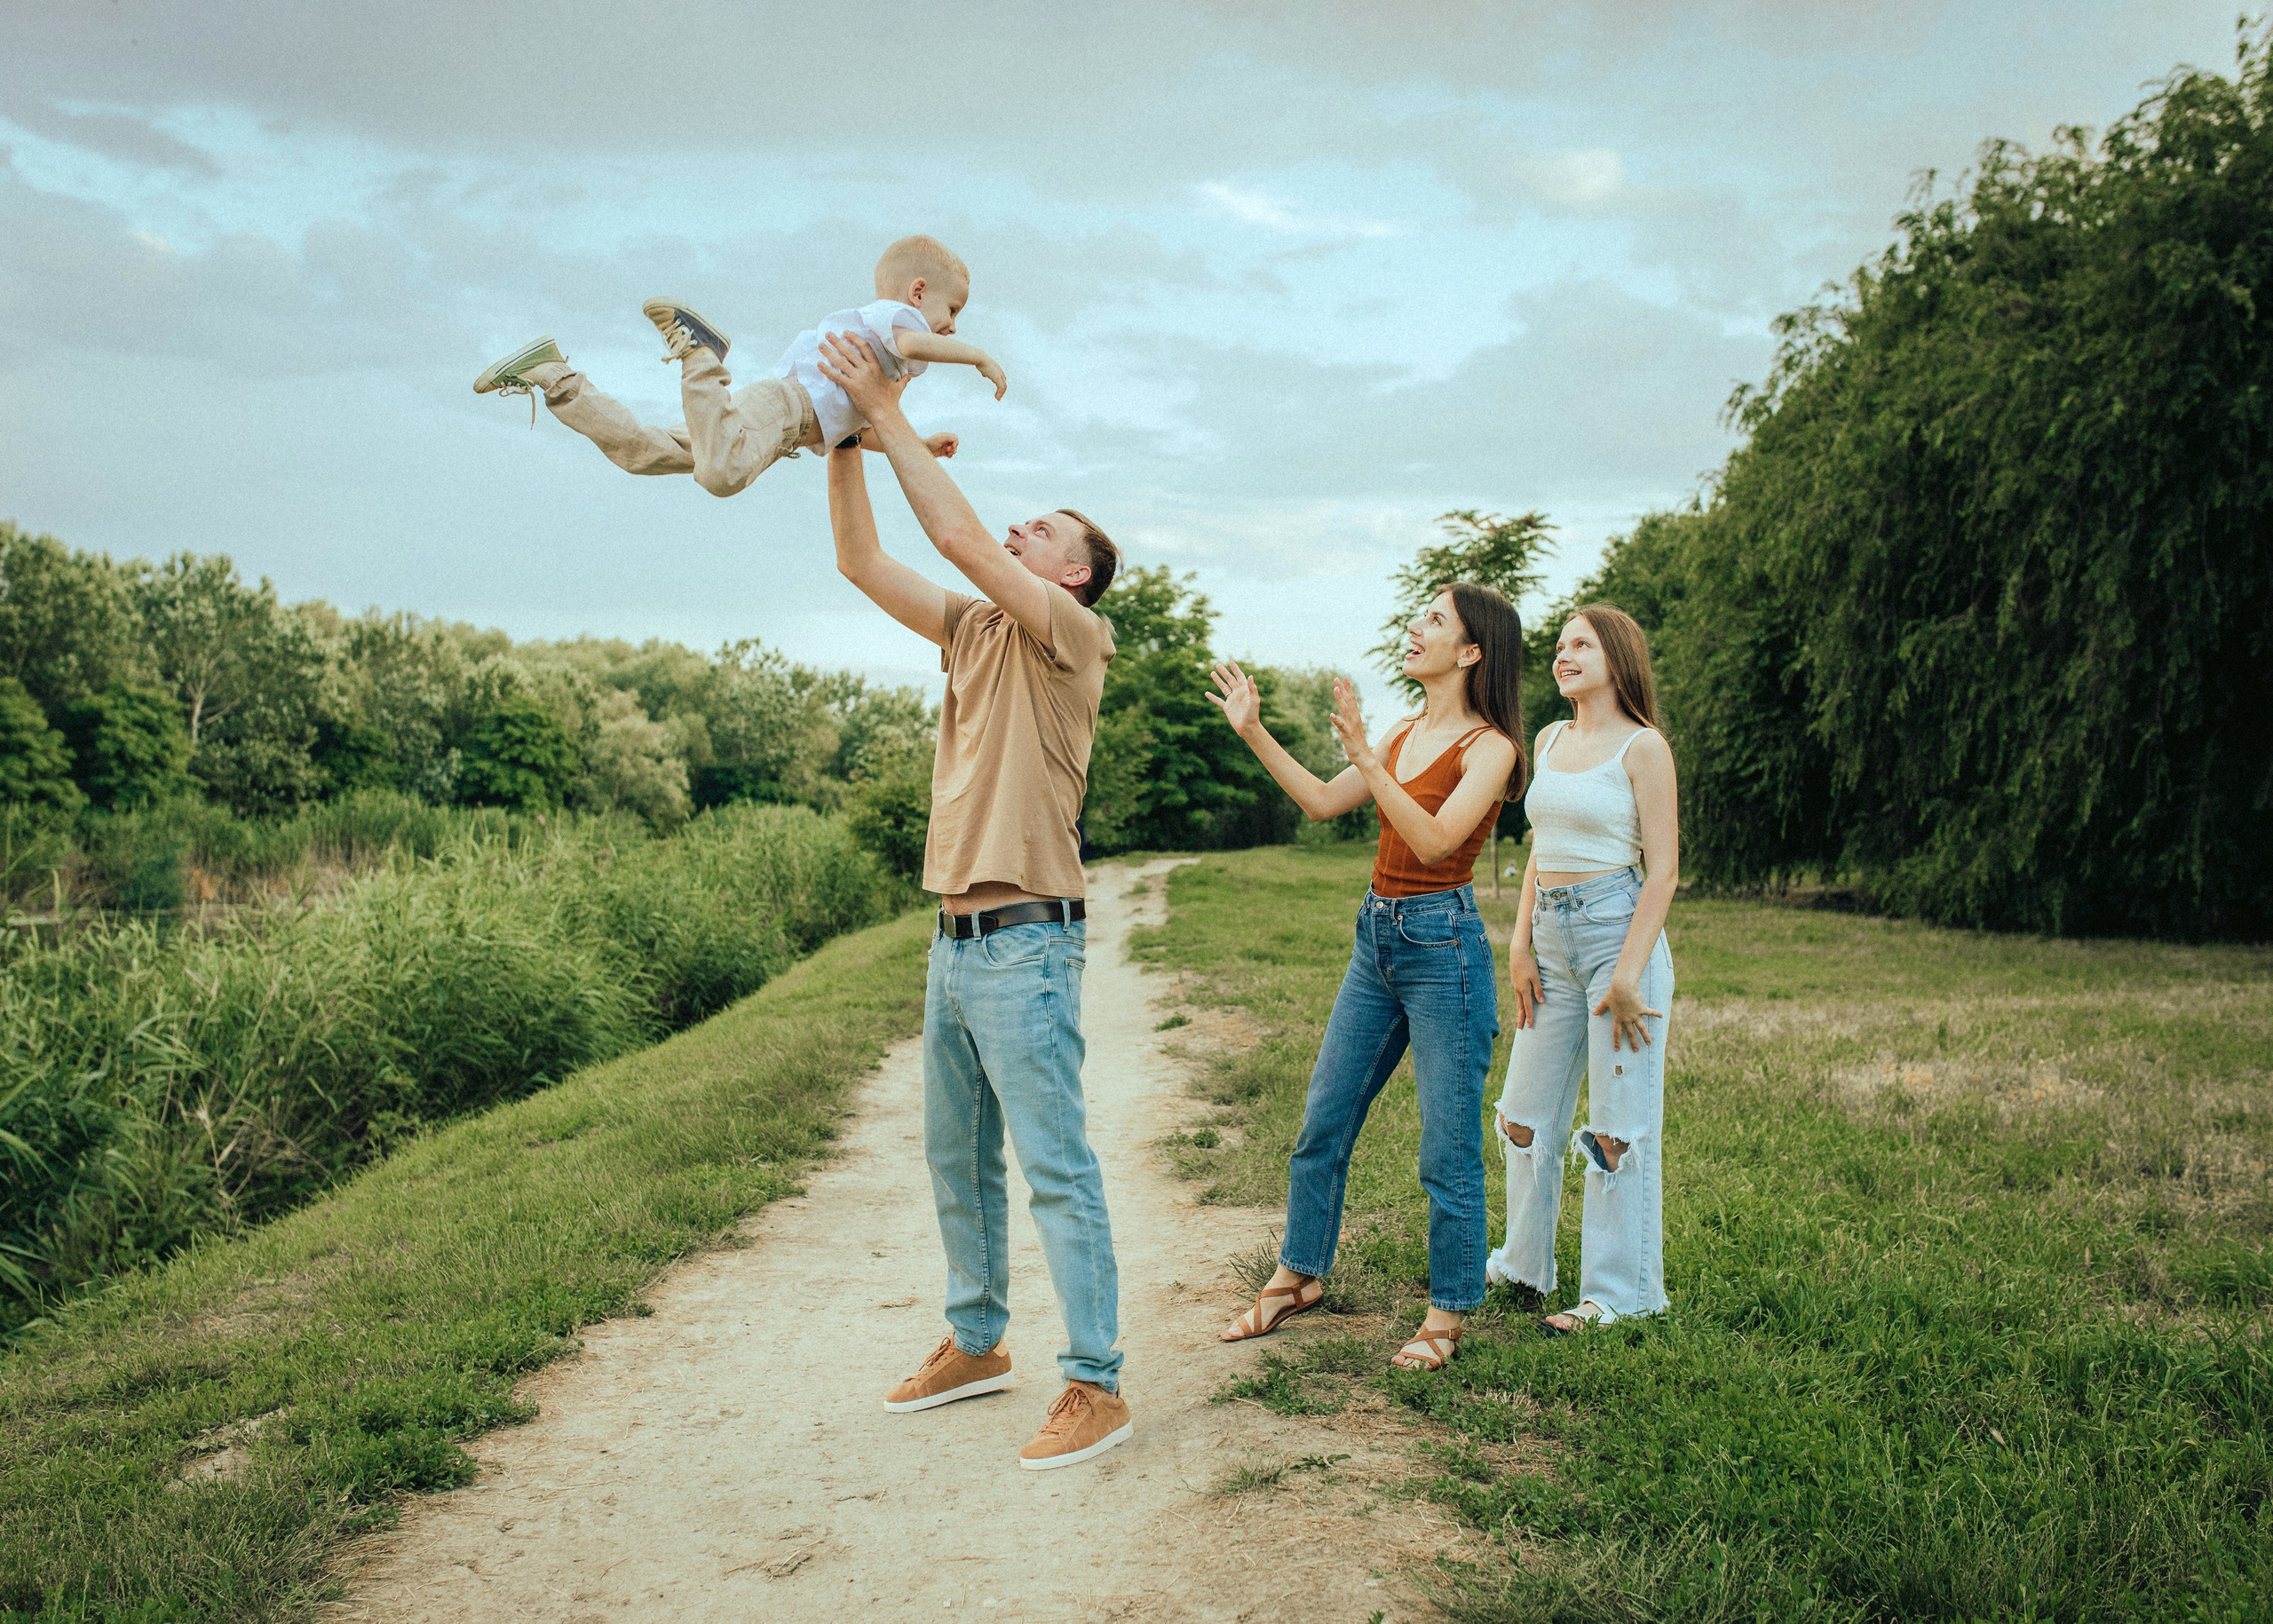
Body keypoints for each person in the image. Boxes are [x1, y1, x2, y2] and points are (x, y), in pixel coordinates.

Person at [816, 327, 1132, 1471]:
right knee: (957, 1157)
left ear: (1074, 572)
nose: (1015, 531)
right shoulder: (975, 628)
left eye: (1040, 529)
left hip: (1026, 942)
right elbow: (863, 562)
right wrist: (844, 440)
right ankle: (977, 1341)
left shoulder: (1071, 636)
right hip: (952, 939)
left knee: (1055, 1164)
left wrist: (882, 403)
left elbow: (950, 527)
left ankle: (1095, 1382)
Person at [1207, 583, 1524, 1371]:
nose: (1417, 629)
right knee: (1324, 1117)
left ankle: (1448, 1311)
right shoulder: (1405, 729)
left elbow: (1437, 841)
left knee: (1446, 1147)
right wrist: (1253, 732)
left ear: (1473, 650)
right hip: (1375, 938)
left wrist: (1363, 756)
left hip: (1442, 948)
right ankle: (1297, 1276)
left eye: (1435, 621)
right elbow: (1320, 801)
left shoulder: (1491, 749)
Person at [1487, 603, 1678, 1335]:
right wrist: (1519, 940)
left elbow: (1662, 870)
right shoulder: (1551, 736)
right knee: (1522, 1116)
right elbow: (1542, 842)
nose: (1563, 655)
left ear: (1617, 658)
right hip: (1552, 942)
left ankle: (1618, 1294)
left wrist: (1628, 974)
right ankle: (1523, 1263)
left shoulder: (1643, 748)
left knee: (1616, 1130)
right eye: (1560, 645)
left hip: (1615, 938)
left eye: (1581, 645)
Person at [471, 234, 1003, 494]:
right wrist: (977, 356)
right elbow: (917, 346)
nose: (952, 326)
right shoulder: (895, 320)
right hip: (781, 409)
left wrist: (917, 445)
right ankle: (701, 356)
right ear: (917, 291)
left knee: (642, 453)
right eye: (952, 310)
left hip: (785, 425)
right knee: (721, 475)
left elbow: (853, 433)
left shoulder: (882, 361)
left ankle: (554, 377)